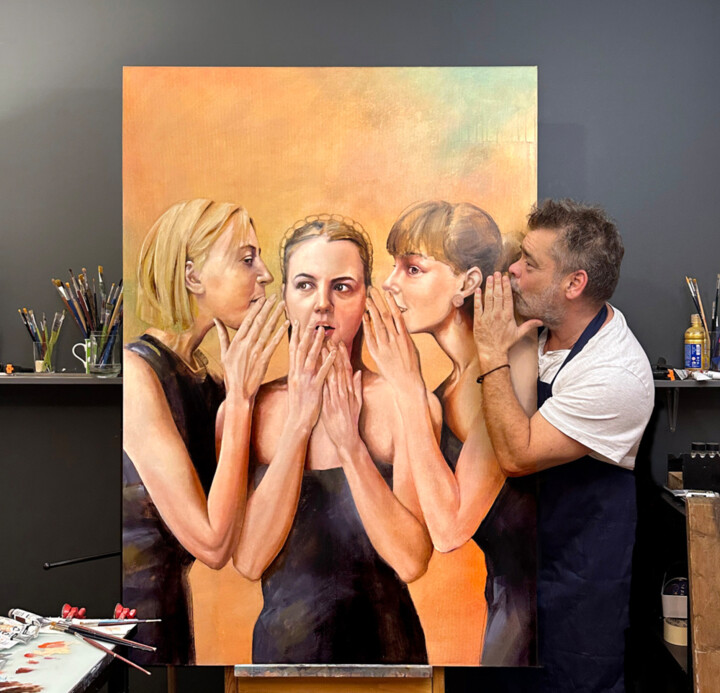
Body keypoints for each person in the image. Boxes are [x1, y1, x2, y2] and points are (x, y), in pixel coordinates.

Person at [231, 214, 434, 664]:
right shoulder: (249, 407)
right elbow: (248, 561)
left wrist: (350, 446)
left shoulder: (401, 400)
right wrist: (298, 426)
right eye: (305, 285)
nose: (322, 304)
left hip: (389, 654)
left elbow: (411, 561)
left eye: (342, 287)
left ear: (366, 300)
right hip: (283, 657)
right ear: (285, 298)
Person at [473, 199, 654, 692]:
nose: (513, 270)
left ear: (574, 284)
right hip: (521, 576)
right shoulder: (541, 328)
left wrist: (490, 352)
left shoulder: (615, 374)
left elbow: (517, 456)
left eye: (530, 264)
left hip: (579, 588)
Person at [365, 200, 538, 666]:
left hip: (539, 613)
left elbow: (448, 531)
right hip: (504, 607)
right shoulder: (446, 392)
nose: (390, 282)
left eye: (412, 268)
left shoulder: (511, 364)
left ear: (467, 282)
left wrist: (407, 389)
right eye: (394, 266)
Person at [123, 199, 287, 664]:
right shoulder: (136, 376)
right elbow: (213, 544)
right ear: (193, 277)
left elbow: (238, 536)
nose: (265, 275)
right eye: (246, 259)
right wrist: (241, 401)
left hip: (171, 618)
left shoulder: (210, 382)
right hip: (129, 619)